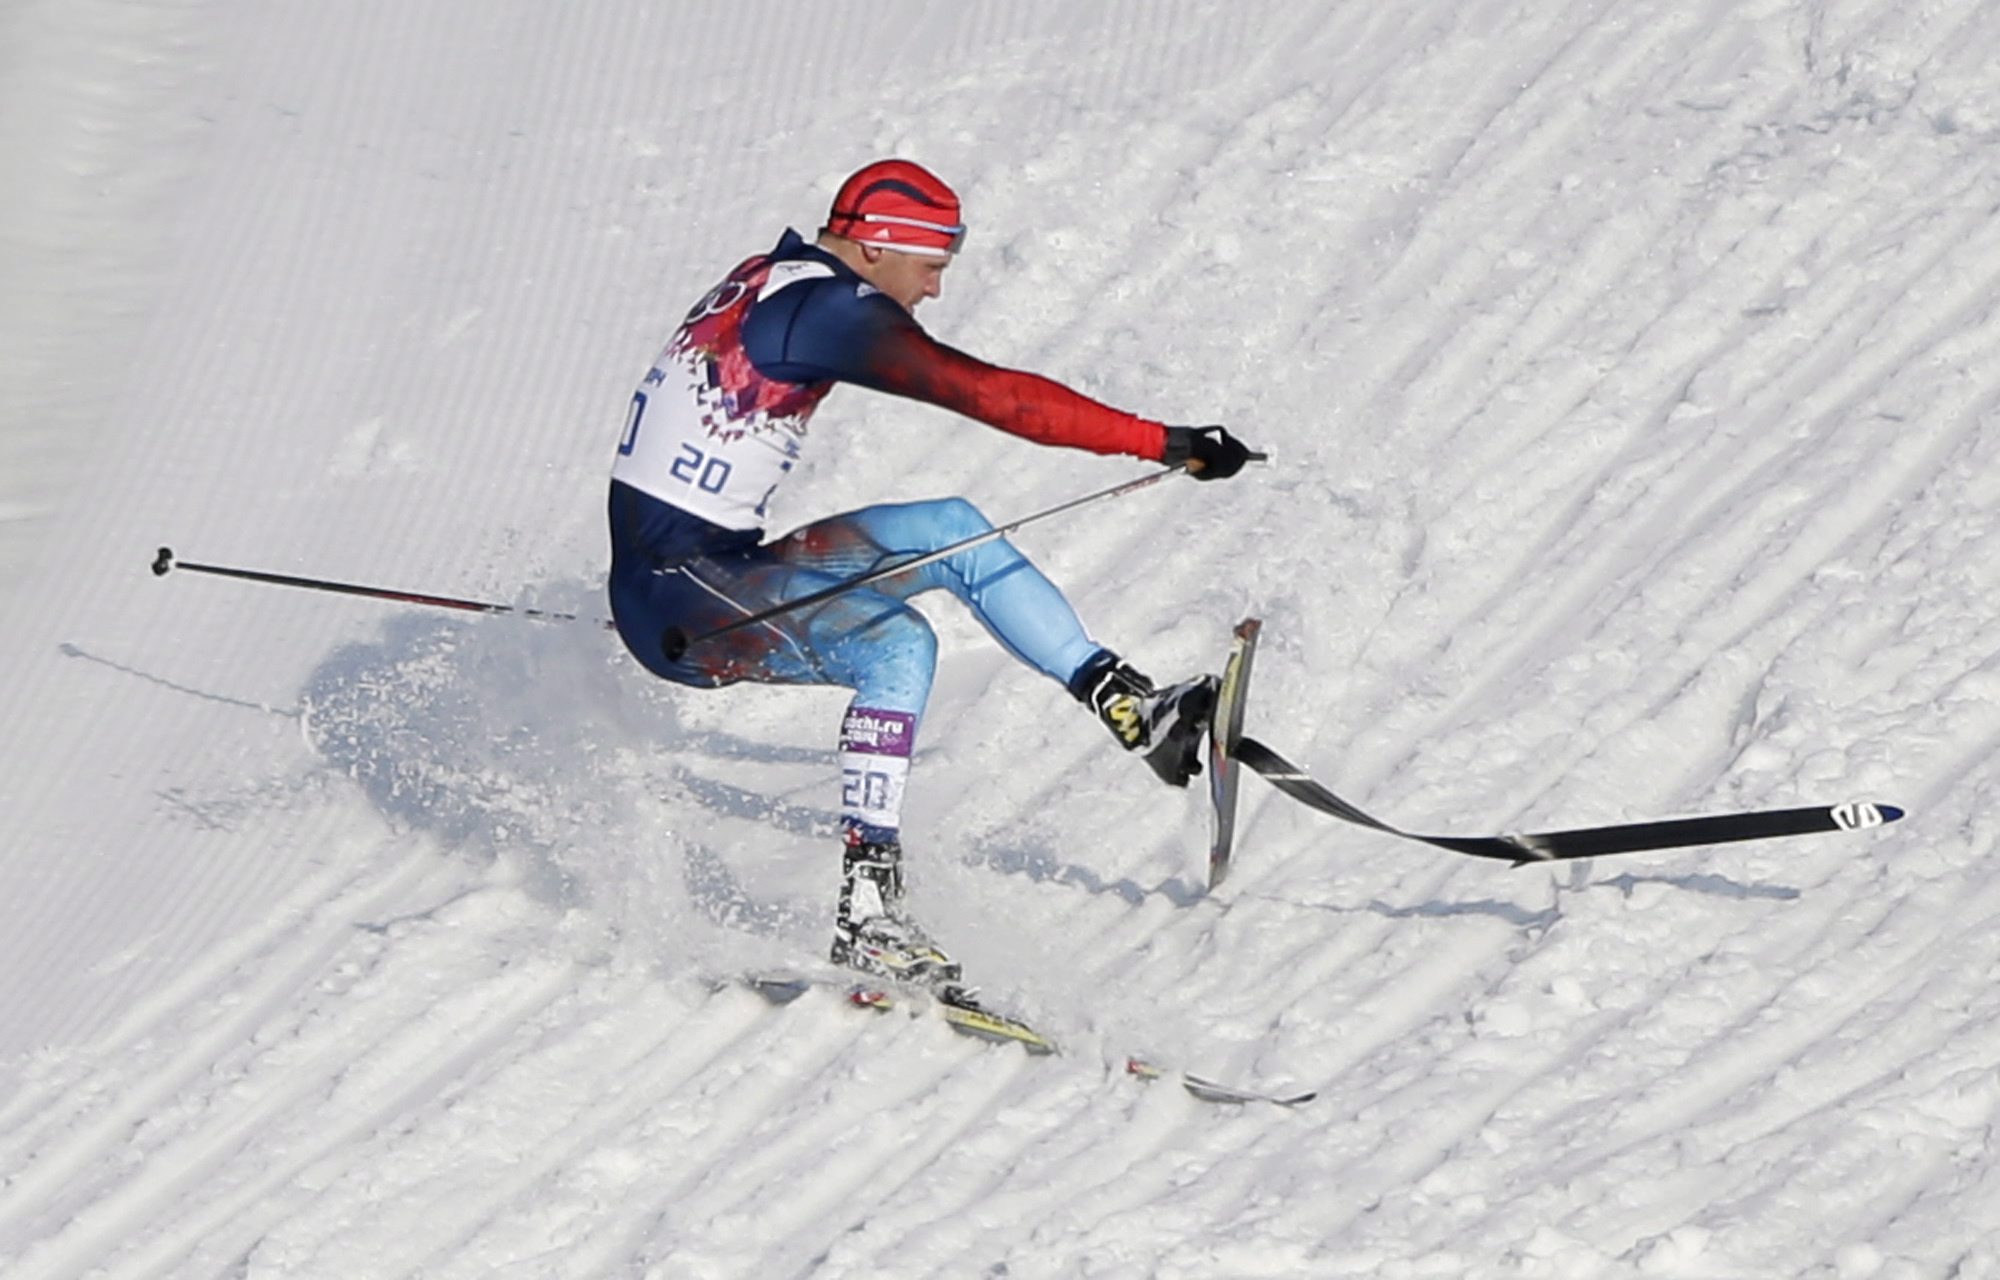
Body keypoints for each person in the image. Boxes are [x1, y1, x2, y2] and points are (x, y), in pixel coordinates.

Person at [606, 158, 1255, 988]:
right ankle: (869, 918)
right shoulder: (829, 309)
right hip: (685, 597)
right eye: (931, 267)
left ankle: (1130, 705)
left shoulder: (779, 276)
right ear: (876, 248)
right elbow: (990, 395)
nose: (934, 290)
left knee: (954, 530)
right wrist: (1166, 441)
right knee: (896, 646)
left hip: (711, 570)